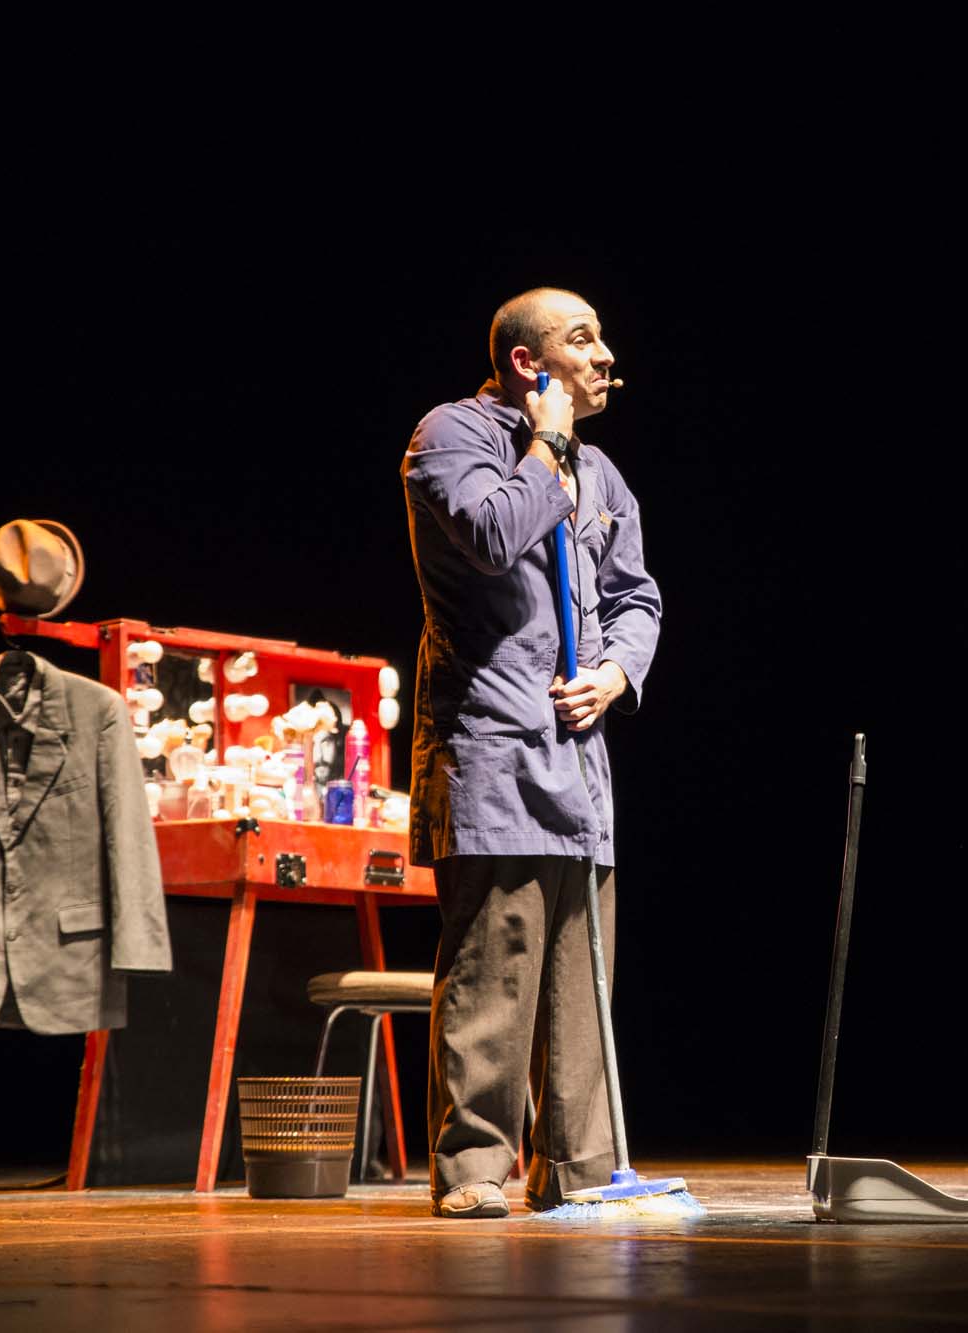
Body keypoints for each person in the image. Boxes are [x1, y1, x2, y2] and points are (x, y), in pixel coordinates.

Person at [401, 288, 662, 1218]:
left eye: (601, 337)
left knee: (581, 982)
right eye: (581, 339)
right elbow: (487, 535)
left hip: (579, 760)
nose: (604, 354)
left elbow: (638, 597)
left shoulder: (605, 476)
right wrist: (544, 445)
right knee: (494, 973)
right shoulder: (453, 436)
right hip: (497, 748)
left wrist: (619, 674)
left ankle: (581, 1171)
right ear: (526, 362)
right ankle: (475, 1171)